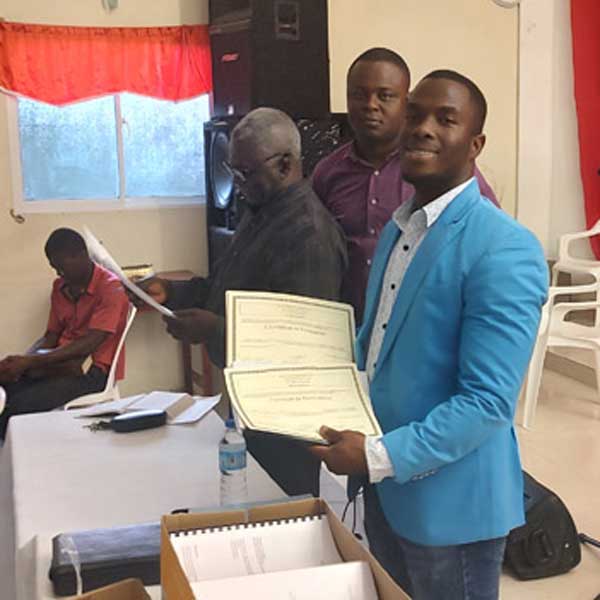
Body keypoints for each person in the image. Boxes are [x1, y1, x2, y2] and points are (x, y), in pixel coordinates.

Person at [310, 71, 548, 600]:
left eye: (446, 119)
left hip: (451, 507)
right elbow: (375, 346)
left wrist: (375, 456)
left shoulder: (504, 247)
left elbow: (487, 403)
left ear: (476, 143)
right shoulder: (399, 227)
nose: (422, 129)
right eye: (415, 114)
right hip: (386, 489)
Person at [141, 107, 348, 496]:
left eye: (246, 174)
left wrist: (214, 329)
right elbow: (229, 288)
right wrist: (174, 292)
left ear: (286, 163)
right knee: (247, 502)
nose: (237, 185)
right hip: (251, 401)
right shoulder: (260, 212)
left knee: (282, 512)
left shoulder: (310, 235)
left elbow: (300, 342)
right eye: (233, 172)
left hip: (286, 416)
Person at [312, 47, 499, 323]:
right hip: (346, 327)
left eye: (385, 96)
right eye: (358, 95)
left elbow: (489, 239)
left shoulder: (439, 169)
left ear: (406, 103)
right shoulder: (327, 173)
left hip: (420, 329)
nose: (370, 105)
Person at [0, 228, 129, 439]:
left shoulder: (110, 288)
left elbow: (92, 342)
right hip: (60, 365)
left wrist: (31, 362)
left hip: (92, 373)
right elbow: (51, 335)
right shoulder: (60, 287)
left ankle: (14, 461)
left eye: (61, 266)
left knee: (15, 407)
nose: (58, 273)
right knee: (6, 386)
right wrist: (24, 362)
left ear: (80, 255)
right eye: (54, 267)